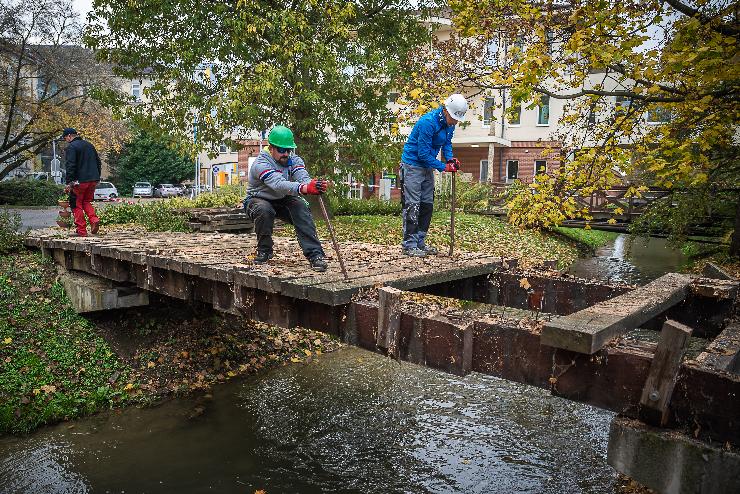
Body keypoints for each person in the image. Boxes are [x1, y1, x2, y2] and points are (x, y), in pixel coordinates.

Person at [243, 125, 330, 272]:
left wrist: (314, 185)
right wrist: (303, 188)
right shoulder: (261, 164)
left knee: (301, 207)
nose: (286, 154)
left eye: (288, 150)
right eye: (282, 150)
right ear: (271, 148)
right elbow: (278, 184)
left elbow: (302, 177)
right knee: (264, 209)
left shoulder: (294, 160)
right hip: (257, 199)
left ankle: (315, 255)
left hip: (282, 199)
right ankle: (264, 250)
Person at [399, 93, 467, 257]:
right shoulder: (428, 123)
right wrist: (444, 167)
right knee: (413, 205)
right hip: (412, 165)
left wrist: (450, 159)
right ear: (445, 110)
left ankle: (420, 242)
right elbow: (422, 154)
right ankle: (409, 244)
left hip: (427, 167)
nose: (455, 122)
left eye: (457, 119)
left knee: (427, 205)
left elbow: (447, 143)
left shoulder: (450, 125)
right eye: (453, 118)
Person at [62, 128, 102, 237]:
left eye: (65, 138)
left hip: (79, 182)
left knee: (76, 204)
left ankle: (81, 231)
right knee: (86, 201)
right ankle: (94, 220)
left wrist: (69, 182)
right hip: (92, 180)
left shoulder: (72, 147)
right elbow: (98, 162)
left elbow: (71, 165)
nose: (66, 140)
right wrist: (97, 177)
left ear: (69, 136)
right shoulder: (90, 145)